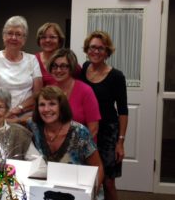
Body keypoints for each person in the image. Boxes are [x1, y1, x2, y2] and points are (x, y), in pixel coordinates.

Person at [81, 31, 128, 200]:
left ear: (107, 52)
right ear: (87, 49)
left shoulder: (116, 76)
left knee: (108, 182)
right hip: (86, 130)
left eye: (101, 48)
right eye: (93, 47)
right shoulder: (84, 68)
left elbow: (123, 110)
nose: (96, 51)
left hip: (108, 133)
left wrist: (120, 142)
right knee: (86, 177)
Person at [27, 86, 104, 191]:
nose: (46, 109)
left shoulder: (80, 132)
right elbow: (22, 121)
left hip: (78, 189)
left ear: (61, 107)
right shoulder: (34, 126)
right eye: (42, 105)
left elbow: (98, 167)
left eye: (52, 104)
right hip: (47, 190)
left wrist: (91, 195)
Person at [0, 15, 42, 119]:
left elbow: (37, 93)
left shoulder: (32, 60)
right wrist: (2, 111)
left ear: (24, 39)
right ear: (3, 36)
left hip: (25, 114)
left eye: (18, 34)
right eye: (10, 33)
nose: (14, 38)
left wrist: (18, 109)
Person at [47, 48, 100, 138]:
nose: (58, 70)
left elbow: (93, 128)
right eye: (54, 66)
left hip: (82, 147)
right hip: (54, 145)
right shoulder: (48, 90)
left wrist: (74, 149)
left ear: (71, 67)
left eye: (63, 66)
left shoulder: (85, 91)